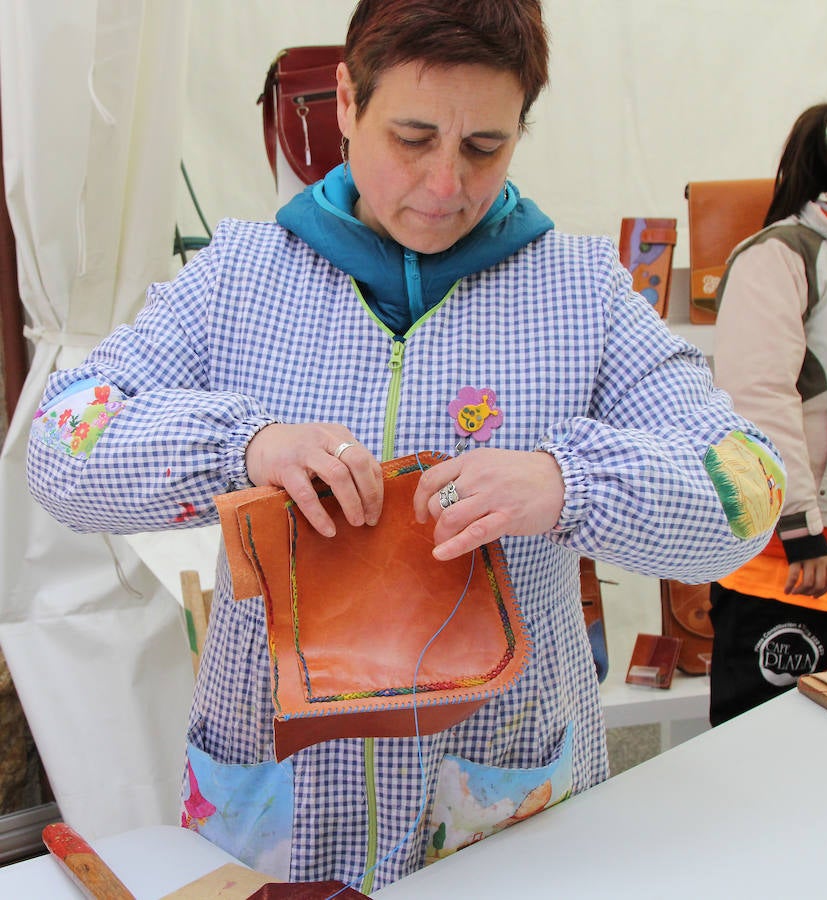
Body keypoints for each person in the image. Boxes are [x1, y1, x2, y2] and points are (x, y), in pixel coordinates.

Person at [27, 0, 784, 890]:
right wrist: (244, 446)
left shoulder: (582, 292)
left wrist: (566, 483)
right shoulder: (236, 278)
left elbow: (745, 489)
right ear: (347, 100)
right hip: (279, 793)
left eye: (483, 148)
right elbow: (58, 443)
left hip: (501, 795)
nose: (443, 187)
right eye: (412, 136)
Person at [709, 102, 827, 726]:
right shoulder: (780, 256)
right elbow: (756, 400)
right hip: (791, 566)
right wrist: (801, 530)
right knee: (771, 762)